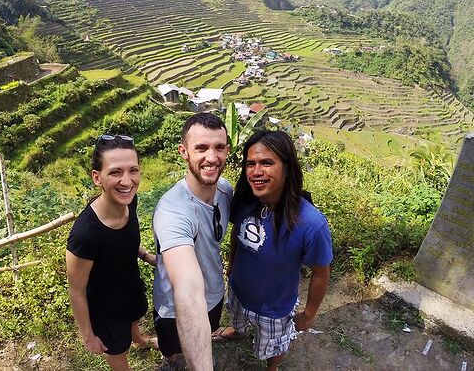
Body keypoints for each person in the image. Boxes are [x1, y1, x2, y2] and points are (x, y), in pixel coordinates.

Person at [215, 130, 333, 371]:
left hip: (275, 308)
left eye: (267, 163)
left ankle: (272, 367)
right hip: (239, 290)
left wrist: (308, 315)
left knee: (274, 345)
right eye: (251, 164)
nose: (256, 172)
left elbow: (321, 272)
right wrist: (231, 266)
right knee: (237, 317)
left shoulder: (311, 223)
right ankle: (238, 329)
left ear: (288, 168)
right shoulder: (245, 201)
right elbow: (237, 235)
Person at [66, 134, 157, 371]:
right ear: (97, 177)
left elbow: (123, 241)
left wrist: (146, 255)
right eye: (116, 172)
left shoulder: (129, 201)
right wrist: (88, 336)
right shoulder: (85, 234)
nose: (127, 181)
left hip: (130, 286)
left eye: (133, 170)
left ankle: (139, 340)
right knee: (117, 350)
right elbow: (76, 291)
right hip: (106, 309)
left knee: (136, 315)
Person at [152, 112, 232, 370]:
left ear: (227, 150)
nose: (212, 157)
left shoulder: (226, 190)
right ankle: (172, 360)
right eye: (201, 148)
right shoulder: (172, 211)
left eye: (219, 147)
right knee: (171, 347)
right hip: (174, 305)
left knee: (207, 330)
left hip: (215, 292)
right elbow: (187, 289)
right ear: (183, 152)